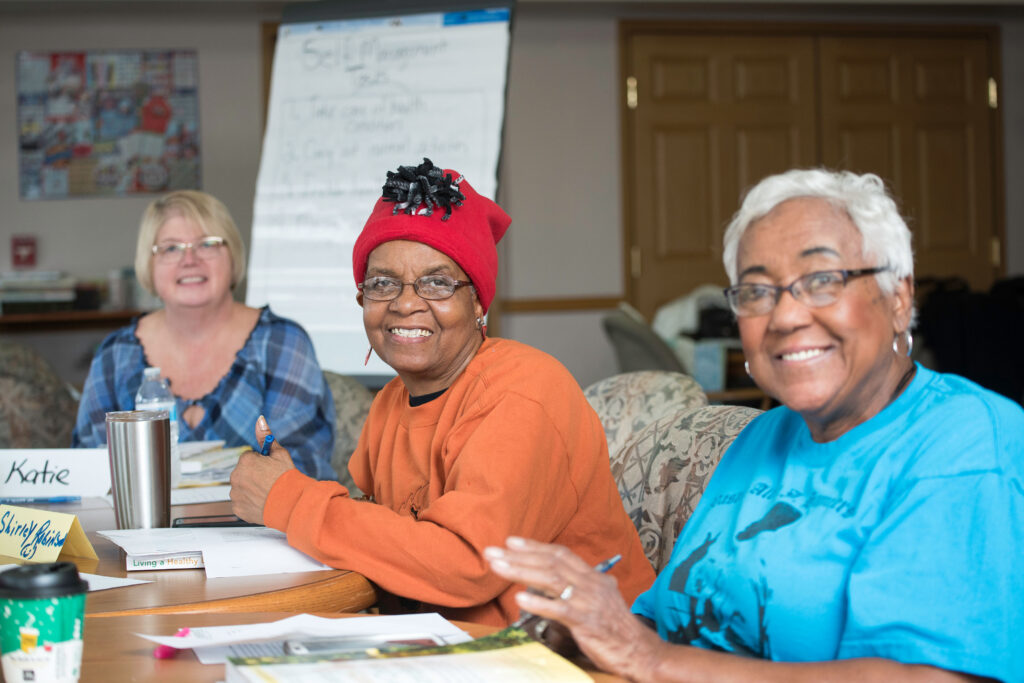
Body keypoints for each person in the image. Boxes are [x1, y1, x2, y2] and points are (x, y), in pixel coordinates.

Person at [485, 169, 1024, 682]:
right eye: (757, 291)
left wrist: (648, 659)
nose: (785, 317)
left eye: (821, 281)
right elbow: (660, 623)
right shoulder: (762, 438)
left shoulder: (964, 442)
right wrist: (576, 628)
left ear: (899, 298)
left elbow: (929, 676)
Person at [229, 158, 654, 627]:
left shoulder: (524, 392)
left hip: (572, 657)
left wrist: (289, 500)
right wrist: (290, 491)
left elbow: (466, 565)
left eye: (436, 282)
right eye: (382, 283)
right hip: (441, 645)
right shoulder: (392, 401)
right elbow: (389, 542)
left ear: (477, 302)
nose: (406, 303)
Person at [72, 190, 336, 480]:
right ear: (148, 264)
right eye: (171, 248)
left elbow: (301, 472)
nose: (190, 260)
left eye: (207, 244)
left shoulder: (281, 344)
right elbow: (92, 472)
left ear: (232, 255)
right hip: (139, 526)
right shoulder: (116, 354)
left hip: (260, 526)